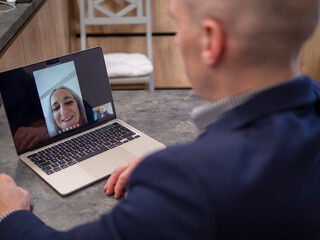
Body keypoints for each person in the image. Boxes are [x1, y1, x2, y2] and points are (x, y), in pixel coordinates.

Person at [1, 0, 320, 238]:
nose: (178, 40)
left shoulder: (188, 183)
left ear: (211, 41)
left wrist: (11, 212)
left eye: (179, 26)